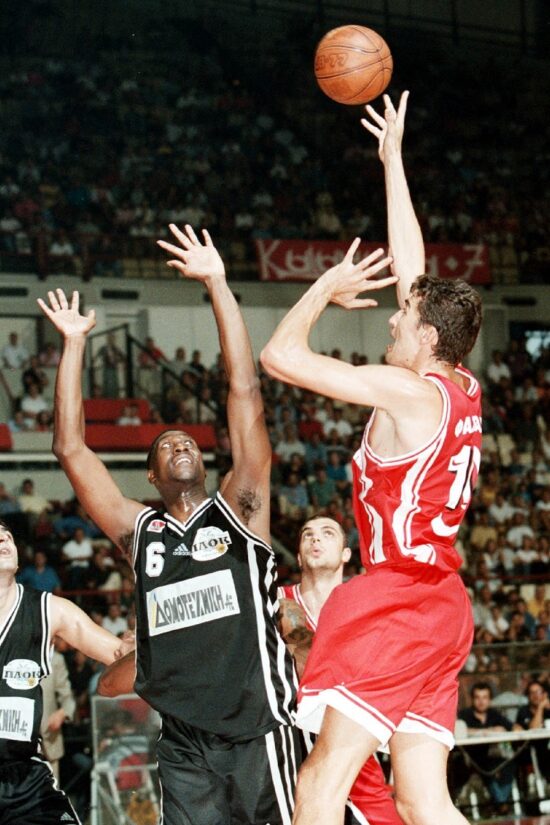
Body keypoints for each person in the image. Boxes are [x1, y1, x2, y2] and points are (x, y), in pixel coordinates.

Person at [261, 91, 483, 825]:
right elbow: (415, 274)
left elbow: (280, 356)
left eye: (403, 317)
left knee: (321, 781)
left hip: (397, 597)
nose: (392, 316)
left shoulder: (405, 390)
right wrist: (392, 161)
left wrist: (325, 286)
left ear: (426, 339)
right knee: (422, 799)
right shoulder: (460, 384)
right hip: (446, 603)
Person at [39, 223, 299, 825]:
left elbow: (244, 391)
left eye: (188, 442)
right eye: (166, 445)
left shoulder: (242, 507)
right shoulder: (141, 533)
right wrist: (74, 345)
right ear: (152, 476)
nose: (180, 444)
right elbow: (70, 449)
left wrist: (218, 284)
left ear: (205, 462)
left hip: (257, 726)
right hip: (183, 742)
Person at [0, 520, 130, 824]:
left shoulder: (48, 609)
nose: (4, 540)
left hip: (23, 780)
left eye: (8, 536)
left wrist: (146, 648)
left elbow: (118, 654)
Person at [278, 515, 402, 825]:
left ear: (346, 554)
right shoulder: (278, 600)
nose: (315, 539)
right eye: (307, 534)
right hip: (289, 743)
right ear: (298, 556)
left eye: (327, 533)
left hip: (347, 741)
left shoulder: (366, 607)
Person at [457, 682, 515, 812]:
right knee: (486, 768)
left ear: (489, 700)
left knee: (509, 764)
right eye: (477, 697)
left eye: (485, 697)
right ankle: (502, 804)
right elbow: (458, 730)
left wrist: (507, 729)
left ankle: (501, 802)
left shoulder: (495, 714)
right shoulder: (464, 715)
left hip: (493, 756)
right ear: (472, 699)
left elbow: (513, 728)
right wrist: (488, 730)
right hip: (470, 758)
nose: (481, 701)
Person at [40, 638, 76, 782]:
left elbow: (67, 696)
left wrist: (63, 713)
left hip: (48, 738)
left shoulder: (55, 659)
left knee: (50, 791)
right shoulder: (7, 654)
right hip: (12, 746)